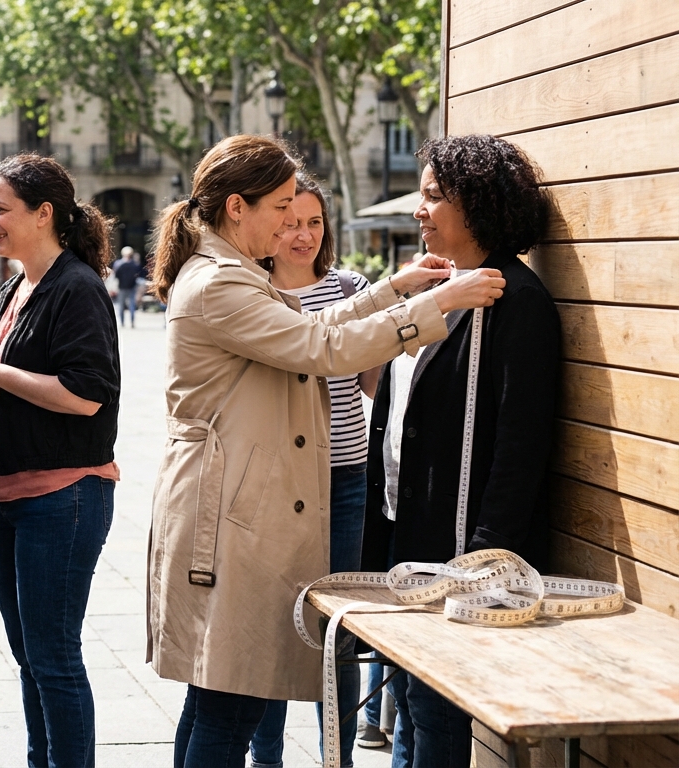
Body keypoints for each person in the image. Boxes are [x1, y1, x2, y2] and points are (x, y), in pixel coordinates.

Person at [145, 134, 507, 768]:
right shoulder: (218, 284)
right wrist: (436, 303)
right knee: (228, 710)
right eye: (282, 205)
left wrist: (392, 290)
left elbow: (312, 324)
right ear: (238, 207)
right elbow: (322, 348)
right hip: (227, 518)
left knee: (217, 705)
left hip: (233, 510)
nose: (292, 221)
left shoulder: (229, 272)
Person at [361, 134, 559, 768]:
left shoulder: (515, 302)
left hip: (458, 554)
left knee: (434, 715)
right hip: (406, 530)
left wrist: (485, 554)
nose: (419, 210)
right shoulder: (437, 289)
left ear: (475, 205)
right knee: (410, 710)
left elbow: (520, 444)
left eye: (432, 197)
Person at [0, 153, 121, 768]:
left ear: (44, 215)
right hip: (6, 496)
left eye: (0, 209)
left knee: (54, 658)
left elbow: (87, 396)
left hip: (61, 497)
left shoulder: (78, 289)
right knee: (28, 655)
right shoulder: (19, 285)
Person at [247, 174, 378, 768]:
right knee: (277, 626)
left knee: (339, 631)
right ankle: (266, 757)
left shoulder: (353, 287)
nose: (303, 235)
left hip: (347, 479)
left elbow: (375, 385)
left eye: (315, 223)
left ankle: (339, 758)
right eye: (291, 222)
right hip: (281, 482)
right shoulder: (253, 294)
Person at [111, 246, 143, 327]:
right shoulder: (135, 264)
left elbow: (115, 275)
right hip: (132, 287)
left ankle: (122, 322)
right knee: (132, 305)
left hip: (122, 287)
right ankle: (132, 322)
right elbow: (138, 275)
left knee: (121, 305)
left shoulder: (118, 264)